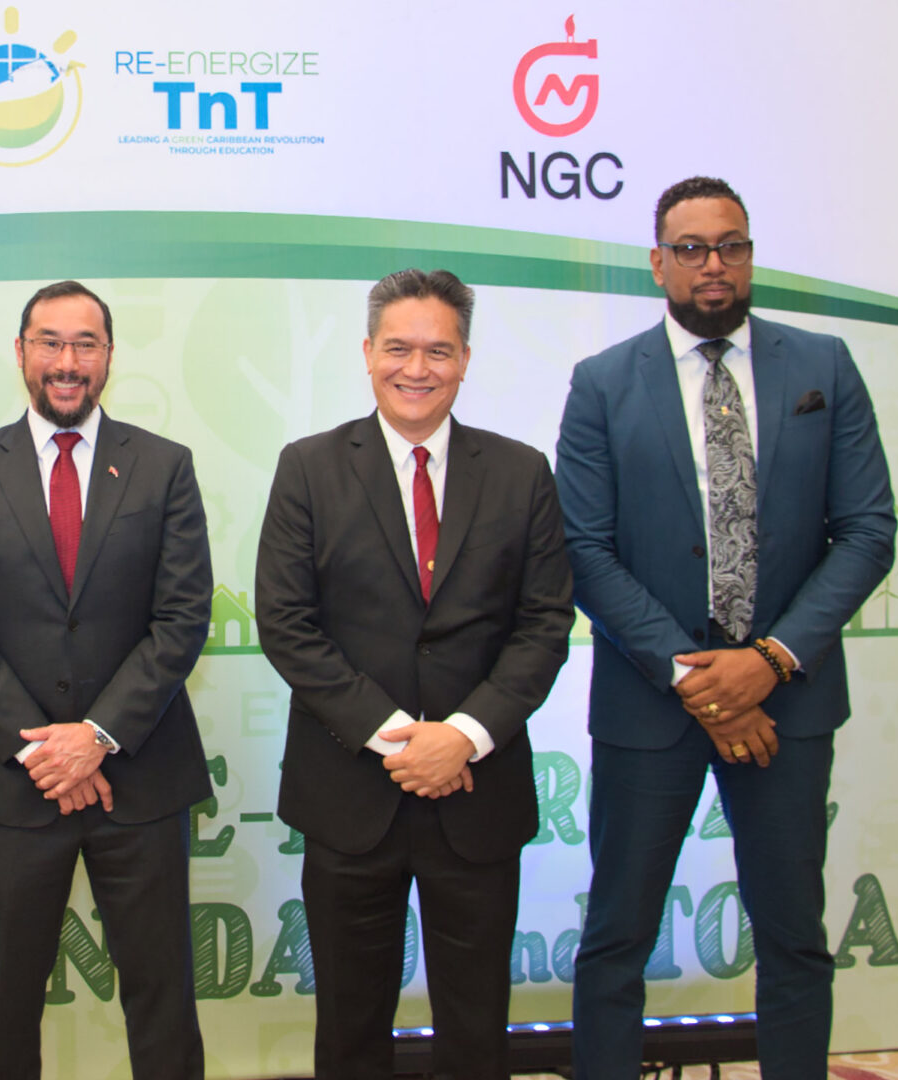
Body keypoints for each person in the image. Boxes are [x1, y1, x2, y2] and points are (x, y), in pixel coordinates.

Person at [559, 176, 895, 1077]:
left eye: (731, 245)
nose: (714, 264)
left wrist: (769, 661)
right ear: (658, 261)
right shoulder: (602, 383)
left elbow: (868, 532)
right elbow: (584, 550)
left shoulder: (823, 366)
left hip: (789, 705)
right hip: (649, 706)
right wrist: (700, 678)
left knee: (794, 939)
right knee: (616, 940)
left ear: (749, 254)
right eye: (693, 248)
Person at [255, 268, 573, 1078]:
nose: (417, 368)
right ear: (367, 353)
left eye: (438, 350)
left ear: (465, 359)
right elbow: (287, 626)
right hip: (349, 794)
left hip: (478, 795)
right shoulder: (309, 468)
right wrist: (402, 739)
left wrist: (461, 737)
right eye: (398, 348)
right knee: (350, 1028)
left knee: (476, 1028)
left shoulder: (521, 473)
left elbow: (543, 626)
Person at [0, 280, 213, 1080]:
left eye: (86, 343)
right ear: (20, 352)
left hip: (140, 781)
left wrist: (97, 737)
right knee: (4, 1006)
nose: (67, 361)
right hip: (13, 785)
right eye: (49, 342)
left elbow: (182, 618)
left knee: (163, 1001)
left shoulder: (164, 466)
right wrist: (48, 752)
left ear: (109, 356)